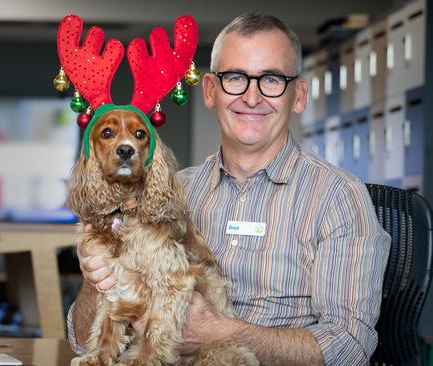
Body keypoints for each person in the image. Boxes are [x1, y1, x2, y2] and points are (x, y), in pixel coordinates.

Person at [67, 13, 390, 366]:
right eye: (235, 77)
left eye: (272, 79)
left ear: (298, 95)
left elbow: (349, 347)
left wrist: (220, 331)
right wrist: (95, 279)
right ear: (210, 91)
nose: (252, 97)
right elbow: (83, 344)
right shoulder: (172, 193)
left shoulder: (339, 199)